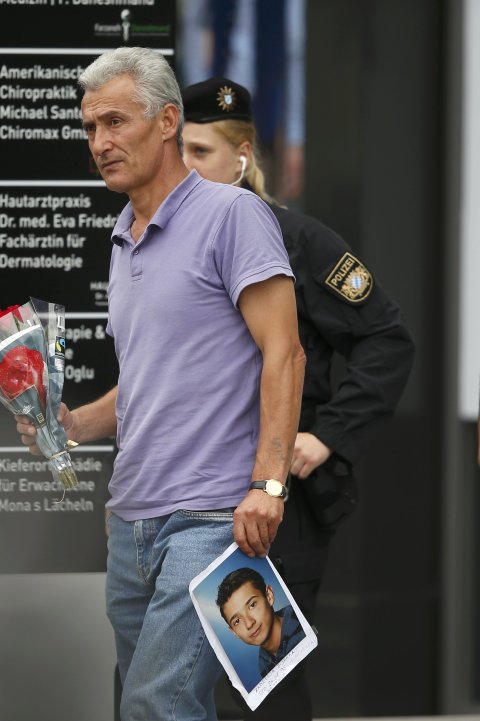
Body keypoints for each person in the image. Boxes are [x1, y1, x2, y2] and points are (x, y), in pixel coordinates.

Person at [16, 48, 305, 720]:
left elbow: (285, 353)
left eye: (115, 121)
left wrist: (267, 484)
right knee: (151, 706)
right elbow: (153, 377)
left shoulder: (232, 215)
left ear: (168, 120)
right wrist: (72, 425)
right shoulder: (124, 236)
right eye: (89, 128)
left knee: (156, 705)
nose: (100, 142)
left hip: (212, 519)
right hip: (130, 523)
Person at [180, 76, 415, 720]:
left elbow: (387, 339)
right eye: (180, 152)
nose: (187, 167)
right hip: (193, 495)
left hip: (276, 505)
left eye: (201, 152)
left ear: (242, 155)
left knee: (258, 683)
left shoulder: (298, 242)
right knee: (173, 676)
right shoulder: (175, 245)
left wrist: (329, 433)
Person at [216, 567, 306, 678]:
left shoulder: (303, 625)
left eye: (252, 605)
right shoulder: (263, 664)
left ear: (269, 596)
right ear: (234, 632)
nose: (249, 624)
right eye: (237, 621)